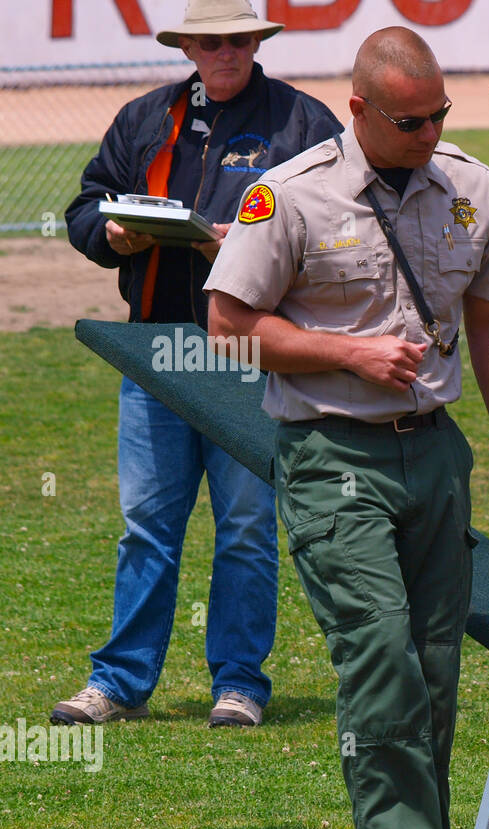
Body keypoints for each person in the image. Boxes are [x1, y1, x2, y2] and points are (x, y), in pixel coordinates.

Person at [205, 26, 489, 829]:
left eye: (439, 116)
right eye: (408, 121)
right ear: (358, 110)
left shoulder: (470, 185)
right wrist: (345, 352)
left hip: (435, 453)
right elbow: (229, 322)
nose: (428, 134)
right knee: (381, 651)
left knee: (433, 666)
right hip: (330, 457)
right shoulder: (292, 194)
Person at [59, 0, 342, 728]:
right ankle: (118, 682)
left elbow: (344, 225)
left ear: (258, 42)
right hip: (153, 349)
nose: (228, 52)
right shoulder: (144, 118)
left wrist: (250, 251)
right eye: (213, 41)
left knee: (246, 524)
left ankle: (241, 683)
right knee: (148, 521)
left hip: (251, 351)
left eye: (241, 39)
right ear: (186, 44)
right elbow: (85, 207)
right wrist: (112, 236)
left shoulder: (303, 123)